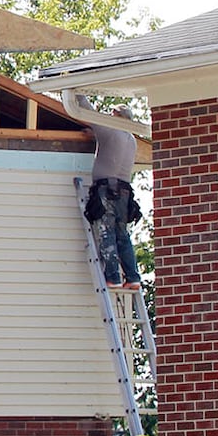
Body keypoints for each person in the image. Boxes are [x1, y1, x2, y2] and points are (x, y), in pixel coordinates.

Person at [78, 95, 144, 290]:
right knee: (122, 235)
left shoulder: (111, 131)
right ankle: (133, 278)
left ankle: (113, 277)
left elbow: (88, 112)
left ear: (116, 115)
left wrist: (78, 94)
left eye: (111, 113)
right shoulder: (131, 140)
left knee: (106, 232)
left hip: (106, 190)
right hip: (124, 192)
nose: (108, 115)